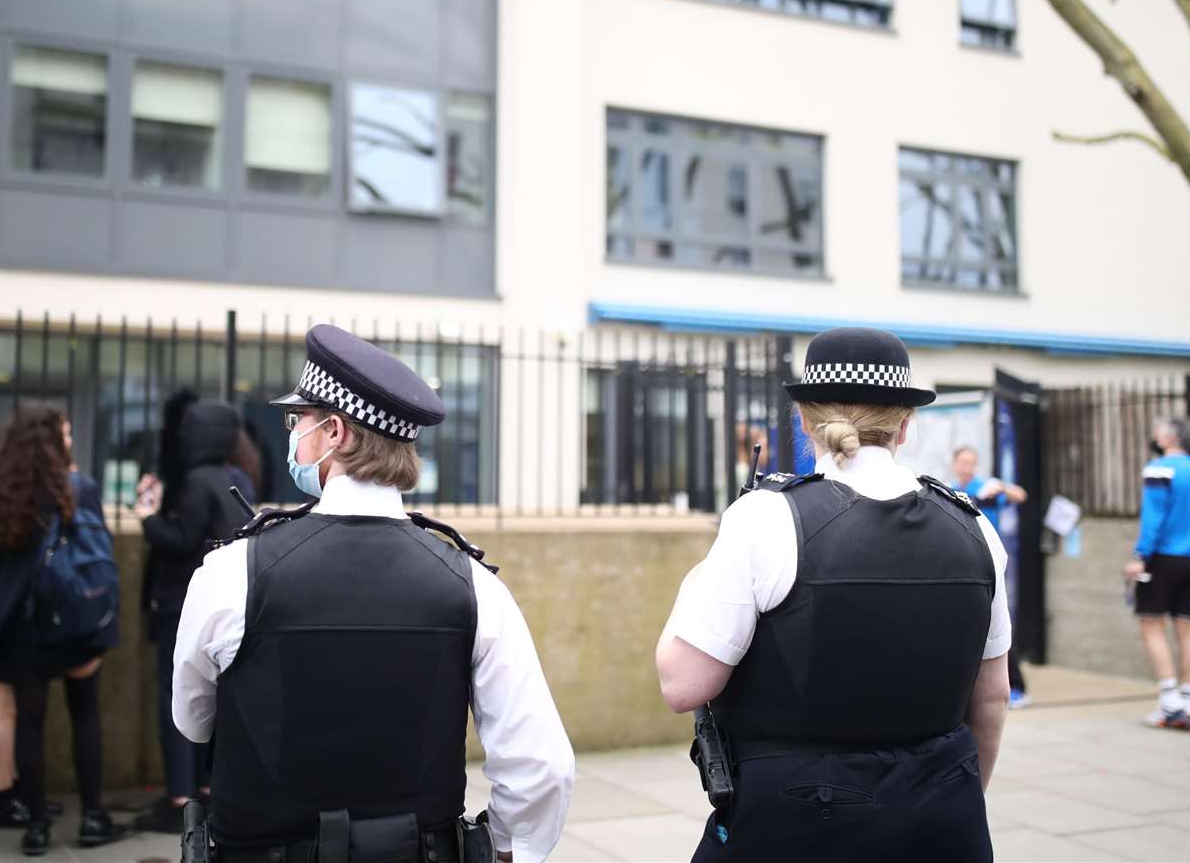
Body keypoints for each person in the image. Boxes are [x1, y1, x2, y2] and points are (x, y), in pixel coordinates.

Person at [173, 324, 575, 863]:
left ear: (334, 432)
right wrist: (503, 849)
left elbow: (193, 720)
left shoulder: (230, 572)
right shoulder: (471, 584)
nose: (293, 434)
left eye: (300, 421)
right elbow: (540, 767)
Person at [656, 327, 1010, 863]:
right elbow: (992, 696)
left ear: (804, 419)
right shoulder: (974, 526)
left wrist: (695, 580)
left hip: (796, 824)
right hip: (942, 821)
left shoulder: (767, 518)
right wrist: (951, 802)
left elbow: (683, 683)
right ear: (906, 425)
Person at [0, 405, 127, 855]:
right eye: (67, 432)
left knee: (30, 724)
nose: (72, 438)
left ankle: (36, 826)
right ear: (54, 441)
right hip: (74, 622)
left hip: (22, 627)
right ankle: (93, 816)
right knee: (86, 714)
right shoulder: (78, 488)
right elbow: (98, 552)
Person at [130, 400, 256, 833]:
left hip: (180, 604)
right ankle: (204, 788)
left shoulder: (198, 481)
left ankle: (180, 797)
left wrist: (147, 517)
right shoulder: (237, 479)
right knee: (213, 700)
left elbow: (180, 540)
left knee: (179, 699)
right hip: (223, 604)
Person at [1124, 415, 1190, 730]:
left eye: (1158, 430)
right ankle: (1188, 701)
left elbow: (1153, 517)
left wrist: (1140, 555)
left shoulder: (1158, 468)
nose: (1154, 435)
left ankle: (1169, 700)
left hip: (1162, 557)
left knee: (1151, 625)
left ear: (1169, 437)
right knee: (1187, 629)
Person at [951, 444, 1031, 709]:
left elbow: (1021, 496)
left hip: (990, 565)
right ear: (955, 464)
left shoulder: (987, 488)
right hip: (964, 565)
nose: (967, 467)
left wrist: (1003, 488)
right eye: (963, 462)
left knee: (999, 625)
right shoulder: (950, 491)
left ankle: (1016, 686)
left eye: (971, 462)